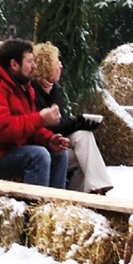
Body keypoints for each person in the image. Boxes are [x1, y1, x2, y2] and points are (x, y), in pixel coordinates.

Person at [0, 38, 70, 188]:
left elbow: (24, 122)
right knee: (38, 156)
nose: (34, 66)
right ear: (14, 64)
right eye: (30, 62)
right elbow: (1, 129)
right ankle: (34, 207)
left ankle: (55, 208)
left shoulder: (19, 86)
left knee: (59, 154)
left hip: (4, 149)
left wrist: (48, 139)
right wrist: (40, 118)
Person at [32, 42, 113, 195]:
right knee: (86, 159)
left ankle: (93, 190)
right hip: (43, 147)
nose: (61, 66)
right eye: (57, 62)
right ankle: (95, 191)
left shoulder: (55, 90)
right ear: (46, 65)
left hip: (57, 144)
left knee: (84, 136)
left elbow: (60, 123)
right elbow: (50, 125)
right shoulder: (32, 91)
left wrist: (79, 124)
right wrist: (76, 123)